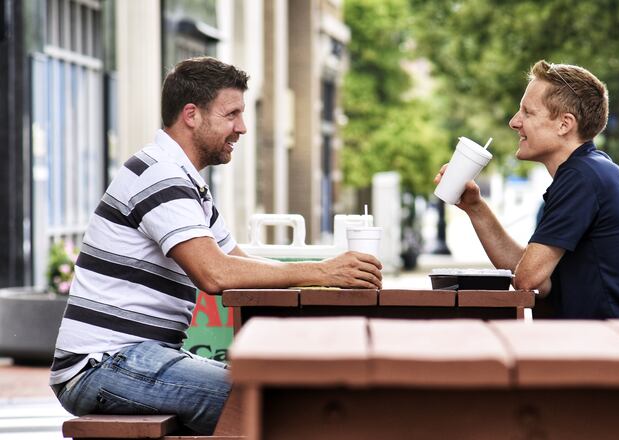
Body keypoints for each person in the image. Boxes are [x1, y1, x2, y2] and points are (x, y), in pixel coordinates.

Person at [50, 57, 383, 435]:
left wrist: (327, 276)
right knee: (272, 403)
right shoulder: (160, 175)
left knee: (273, 389)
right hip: (102, 365)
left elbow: (236, 263)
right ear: (191, 115)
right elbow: (215, 273)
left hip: (136, 359)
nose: (242, 127)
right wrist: (322, 271)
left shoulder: (186, 181)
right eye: (232, 114)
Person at [434, 60, 619, 319]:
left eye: (527, 112)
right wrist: (475, 207)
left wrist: (530, 276)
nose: (514, 122)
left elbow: (528, 279)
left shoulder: (581, 176)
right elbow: (536, 277)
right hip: (616, 344)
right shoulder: (591, 170)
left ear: (564, 124)